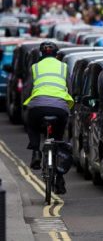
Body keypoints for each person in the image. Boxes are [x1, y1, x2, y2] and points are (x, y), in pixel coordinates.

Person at [23, 41, 74, 194]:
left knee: (31, 125)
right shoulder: (64, 67)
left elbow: (27, 88)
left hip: (38, 107)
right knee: (57, 140)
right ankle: (59, 180)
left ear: (41, 54)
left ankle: (36, 152)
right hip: (59, 109)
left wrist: (25, 104)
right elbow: (70, 90)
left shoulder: (35, 67)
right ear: (57, 55)